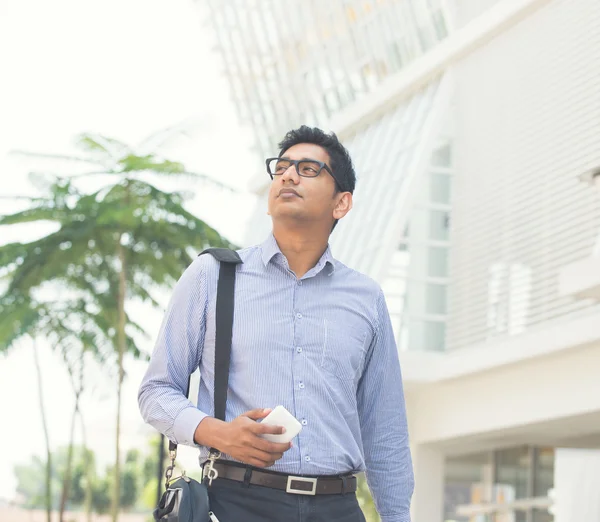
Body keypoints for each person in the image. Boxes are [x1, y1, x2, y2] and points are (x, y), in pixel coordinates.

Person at [138, 126, 414, 522]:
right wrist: (217, 432)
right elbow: (156, 390)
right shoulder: (213, 276)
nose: (287, 175)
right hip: (237, 502)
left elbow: (385, 432)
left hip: (338, 507)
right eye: (281, 167)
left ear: (342, 203)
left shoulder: (366, 298)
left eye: (307, 169)